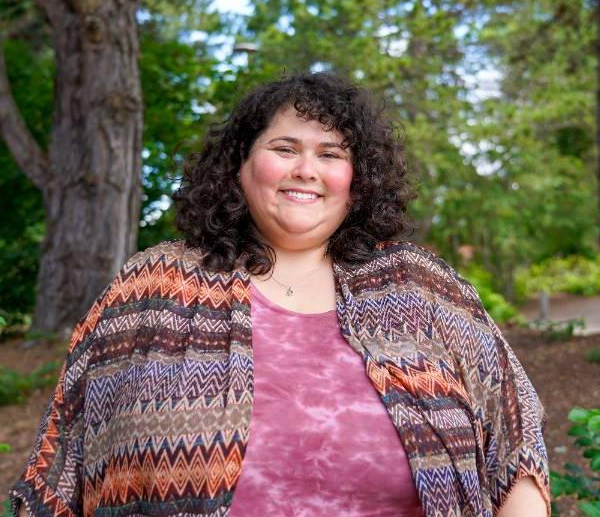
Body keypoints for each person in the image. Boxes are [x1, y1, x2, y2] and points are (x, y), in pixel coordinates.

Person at [10, 72, 549, 516]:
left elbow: (517, 435)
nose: (306, 170)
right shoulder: (152, 288)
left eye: (331, 154)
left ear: (357, 177)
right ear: (240, 167)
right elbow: (62, 457)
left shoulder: (423, 287)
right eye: (284, 148)